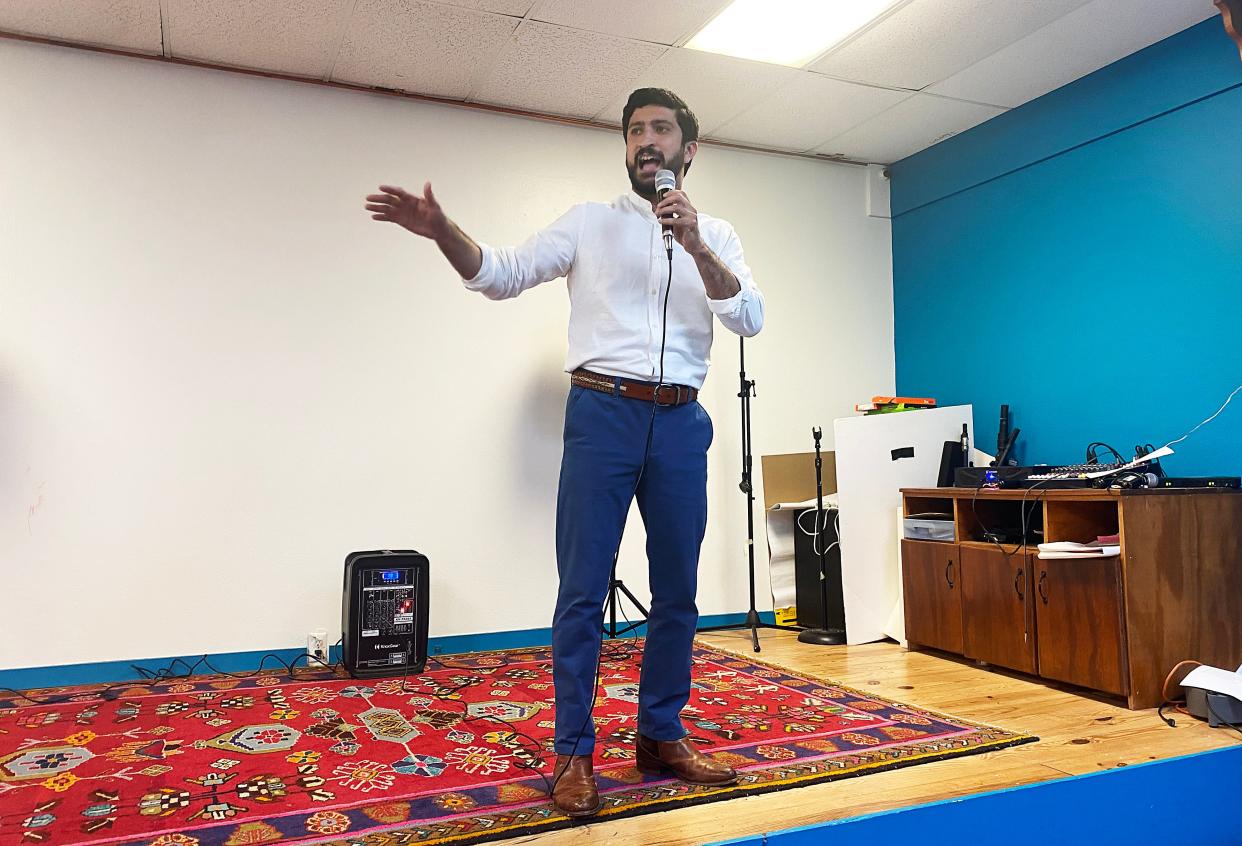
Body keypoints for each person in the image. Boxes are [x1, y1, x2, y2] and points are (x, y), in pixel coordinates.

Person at [364, 88, 764, 818]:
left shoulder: (719, 234)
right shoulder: (587, 223)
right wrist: (442, 230)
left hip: (680, 421)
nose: (647, 140)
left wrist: (698, 243)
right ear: (626, 148)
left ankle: (660, 736)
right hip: (602, 413)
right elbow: (501, 273)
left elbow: (750, 317)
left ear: (689, 150)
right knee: (582, 591)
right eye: (636, 130)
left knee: (678, 593)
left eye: (662, 129)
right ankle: (574, 753)